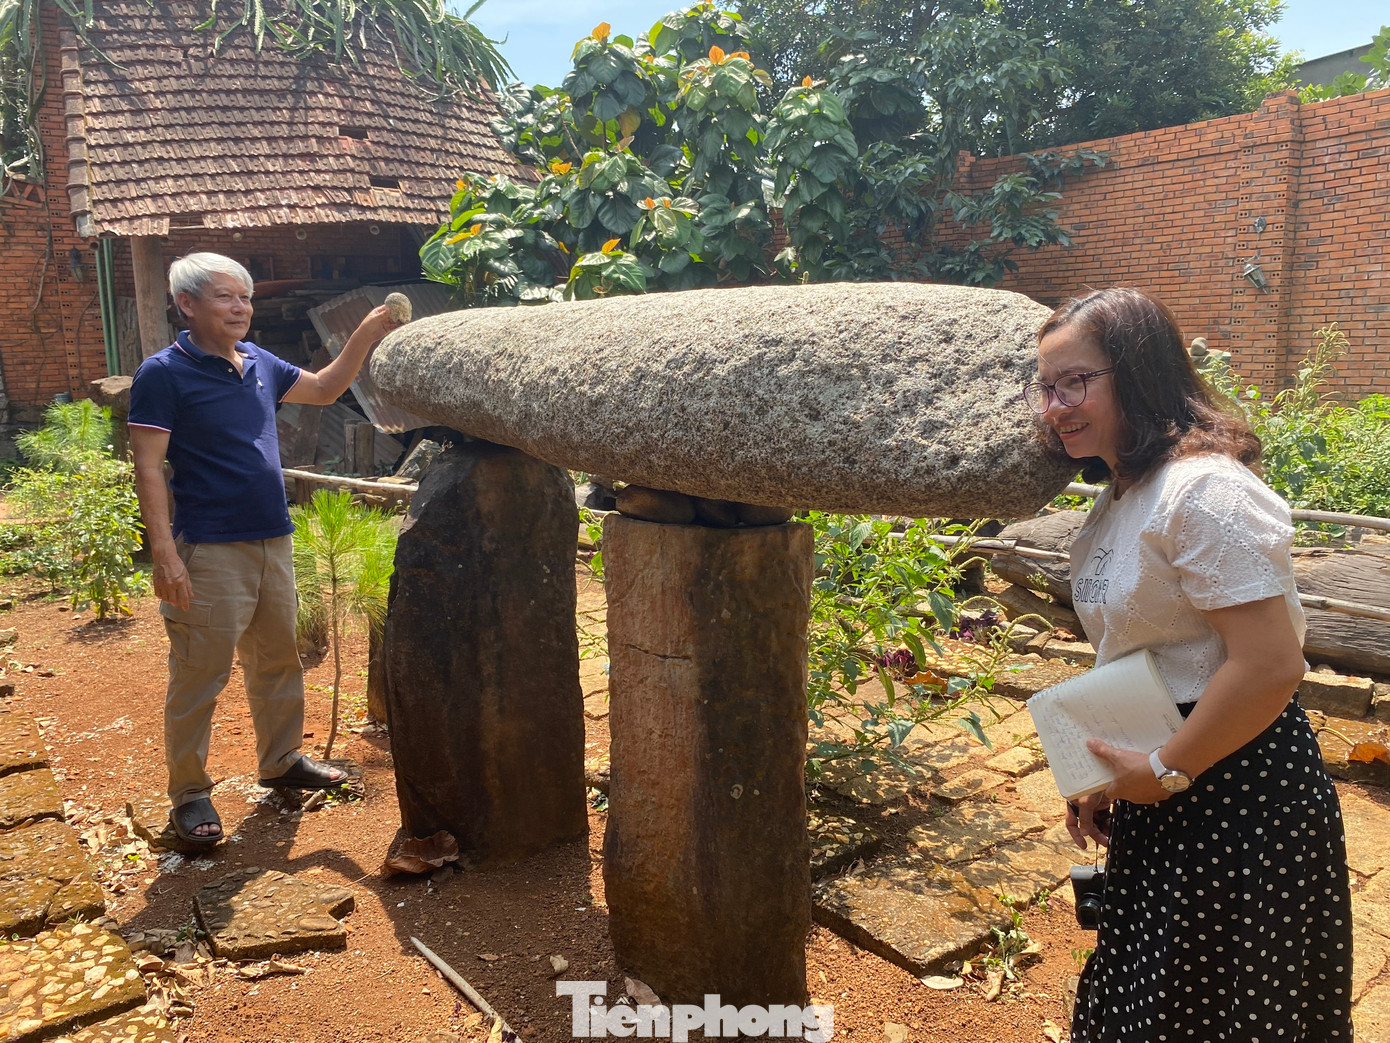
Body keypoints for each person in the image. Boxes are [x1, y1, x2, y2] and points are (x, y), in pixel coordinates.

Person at [1024, 288, 1353, 1042]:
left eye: (1075, 381)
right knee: (1159, 993)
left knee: (1223, 1004)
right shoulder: (1122, 492)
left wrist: (1166, 768)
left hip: (1236, 790)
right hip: (1168, 777)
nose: (1055, 406)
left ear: (1136, 372)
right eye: (1046, 386)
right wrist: (1103, 772)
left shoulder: (1204, 489)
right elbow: (1144, 651)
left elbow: (1270, 665)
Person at [129, 252, 398, 847]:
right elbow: (149, 469)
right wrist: (165, 558)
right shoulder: (163, 373)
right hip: (208, 548)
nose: (241, 308)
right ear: (187, 305)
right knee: (200, 674)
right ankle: (191, 794)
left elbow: (326, 389)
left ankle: (280, 762)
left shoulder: (258, 362)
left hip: (273, 539)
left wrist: (366, 332)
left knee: (278, 660)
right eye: (226, 297)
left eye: (245, 297)